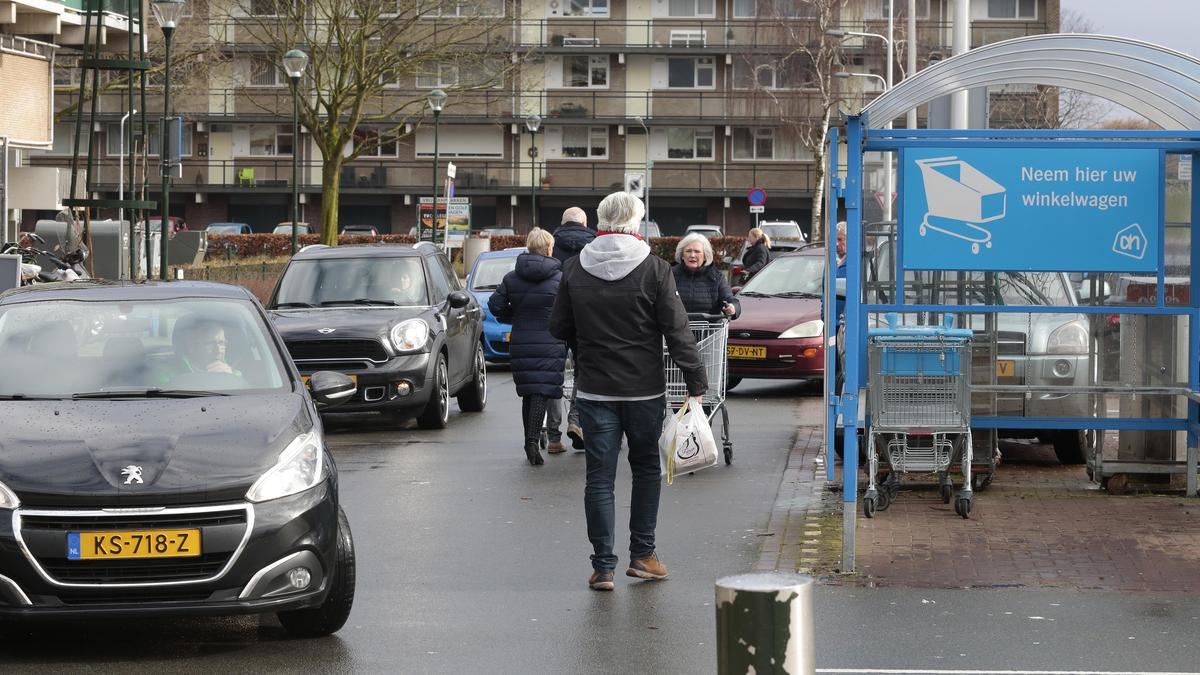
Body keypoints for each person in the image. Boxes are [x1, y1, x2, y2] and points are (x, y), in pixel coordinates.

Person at [550, 191, 707, 592]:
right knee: (646, 470)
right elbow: (677, 330)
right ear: (635, 224)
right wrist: (696, 382)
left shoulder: (573, 268)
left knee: (598, 478)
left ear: (600, 221)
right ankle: (643, 555)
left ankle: (603, 567)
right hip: (644, 389)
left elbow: (558, 328)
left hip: (595, 389)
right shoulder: (654, 269)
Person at [488, 228, 567, 466]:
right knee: (541, 391)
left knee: (528, 393)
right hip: (550, 340)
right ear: (549, 249)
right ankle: (531, 441)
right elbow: (568, 309)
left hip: (522, 339)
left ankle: (529, 439)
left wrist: (514, 317)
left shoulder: (512, 277)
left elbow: (495, 305)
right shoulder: (559, 278)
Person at [547, 206, 595, 452]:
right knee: (582, 370)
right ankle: (576, 420)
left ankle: (553, 435)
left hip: (553, 317)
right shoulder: (595, 245)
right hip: (584, 317)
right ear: (585, 223)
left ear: (562, 222)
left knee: (552, 372)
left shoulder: (549, 244)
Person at [671, 233, 740, 319]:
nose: (692, 255)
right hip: (677, 330)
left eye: (697, 251)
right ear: (682, 255)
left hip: (709, 330)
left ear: (705, 256)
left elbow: (729, 299)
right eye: (688, 251)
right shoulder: (670, 275)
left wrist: (732, 307)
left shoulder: (716, 277)